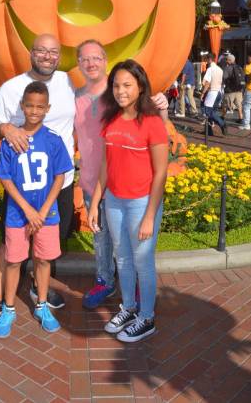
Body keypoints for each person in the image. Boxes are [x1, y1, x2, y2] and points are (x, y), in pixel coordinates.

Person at [0, 34, 76, 332]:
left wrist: (155, 100)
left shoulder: (70, 82)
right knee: (12, 245)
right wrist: (5, 127)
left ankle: (36, 293)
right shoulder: (12, 87)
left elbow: (105, 94)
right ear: (31, 52)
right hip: (22, 187)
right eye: (41, 50)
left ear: (60, 55)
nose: (47, 56)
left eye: (53, 51)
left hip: (59, 183)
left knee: (48, 244)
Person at [75, 39, 168, 310]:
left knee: (134, 244)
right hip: (96, 179)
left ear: (105, 60)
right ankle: (106, 281)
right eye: (84, 59)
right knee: (102, 237)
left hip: (131, 187)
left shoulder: (122, 92)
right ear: (78, 63)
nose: (91, 63)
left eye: (96, 58)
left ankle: (140, 290)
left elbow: (154, 132)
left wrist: (162, 109)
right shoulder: (75, 98)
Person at [0, 81, 73, 338]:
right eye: (30, 106)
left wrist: (44, 209)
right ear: (22, 106)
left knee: (43, 260)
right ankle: (8, 308)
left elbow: (60, 176)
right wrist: (28, 210)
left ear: (47, 108)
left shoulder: (53, 140)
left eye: (40, 107)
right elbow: (5, 178)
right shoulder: (11, 140)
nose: (35, 111)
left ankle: (41, 305)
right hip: (18, 214)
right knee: (14, 260)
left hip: (47, 215)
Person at [200, 54, 227, 136]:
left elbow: (207, 82)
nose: (206, 62)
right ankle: (209, 131)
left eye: (206, 60)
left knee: (207, 112)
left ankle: (222, 124)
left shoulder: (210, 69)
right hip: (219, 92)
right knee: (213, 111)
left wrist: (203, 93)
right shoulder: (220, 69)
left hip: (212, 92)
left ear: (209, 59)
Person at [221, 54, 244, 123]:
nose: (226, 61)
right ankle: (240, 118)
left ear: (230, 60)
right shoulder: (240, 67)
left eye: (227, 59)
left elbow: (224, 78)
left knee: (225, 104)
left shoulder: (227, 68)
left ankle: (222, 117)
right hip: (239, 90)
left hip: (230, 90)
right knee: (239, 104)